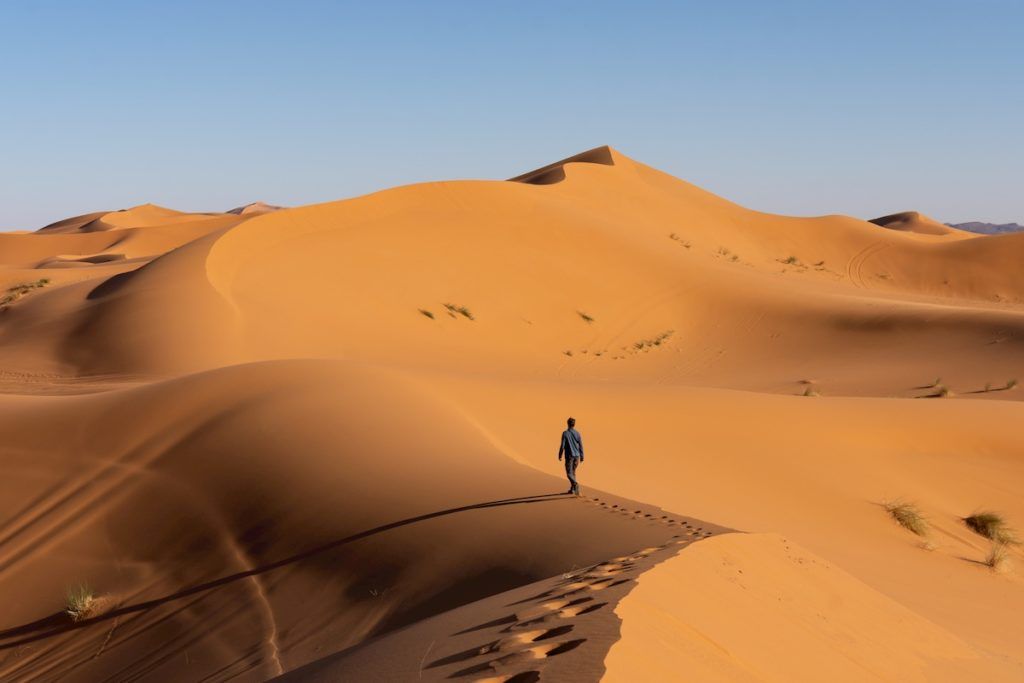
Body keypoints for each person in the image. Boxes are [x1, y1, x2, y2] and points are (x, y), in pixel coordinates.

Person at [557, 417, 584, 495]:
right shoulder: (577, 433)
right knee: (573, 472)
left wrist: (560, 454)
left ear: (567, 423)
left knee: (569, 473)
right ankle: (573, 489)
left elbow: (562, 445)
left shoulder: (565, 433)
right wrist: (582, 456)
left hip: (570, 456)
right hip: (577, 456)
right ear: (574, 424)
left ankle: (575, 484)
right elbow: (581, 445)